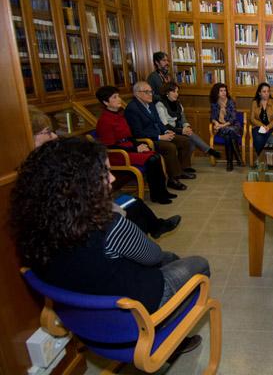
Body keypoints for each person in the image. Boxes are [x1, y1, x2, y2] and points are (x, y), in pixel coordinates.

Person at [10, 138, 209, 321]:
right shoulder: (109, 225)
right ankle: (169, 328)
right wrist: (115, 212)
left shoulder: (33, 226)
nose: (112, 179)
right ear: (80, 185)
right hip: (132, 312)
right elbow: (154, 256)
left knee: (171, 257)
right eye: (105, 173)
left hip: (83, 315)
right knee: (199, 264)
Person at [27, 105, 181, 238]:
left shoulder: (47, 161)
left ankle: (152, 230)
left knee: (135, 202)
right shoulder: (40, 172)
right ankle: (142, 245)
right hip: (84, 217)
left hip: (88, 208)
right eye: (47, 132)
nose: (53, 135)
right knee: (131, 210)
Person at [95, 86, 176, 204]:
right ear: (105, 102)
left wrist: (138, 145)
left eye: (118, 96)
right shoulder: (104, 121)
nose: (119, 99)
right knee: (152, 159)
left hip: (128, 148)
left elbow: (129, 136)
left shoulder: (119, 115)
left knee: (156, 156)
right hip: (117, 155)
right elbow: (110, 146)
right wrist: (135, 148)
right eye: (114, 97)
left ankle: (162, 191)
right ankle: (157, 195)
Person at [125, 81, 194, 191]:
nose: (151, 94)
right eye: (147, 92)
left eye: (151, 91)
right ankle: (172, 178)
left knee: (185, 141)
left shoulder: (150, 104)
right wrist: (159, 137)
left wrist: (166, 131)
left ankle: (181, 170)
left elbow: (159, 122)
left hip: (160, 133)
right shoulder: (132, 109)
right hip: (148, 140)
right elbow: (137, 133)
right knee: (170, 147)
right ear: (137, 94)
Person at [155, 81, 220, 160]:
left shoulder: (178, 104)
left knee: (191, 141)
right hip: (167, 131)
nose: (176, 94)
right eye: (173, 91)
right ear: (167, 92)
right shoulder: (160, 105)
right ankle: (209, 150)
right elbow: (165, 125)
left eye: (177, 91)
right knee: (189, 139)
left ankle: (184, 166)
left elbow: (183, 119)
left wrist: (187, 127)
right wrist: (182, 131)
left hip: (178, 129)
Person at [210, 83, 242, 172]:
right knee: (229, 135)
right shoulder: (214, 103)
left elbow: (233, 119)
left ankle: (230, 163)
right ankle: (236, 157)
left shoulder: (231, 102)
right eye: (221, 91)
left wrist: (221, 126)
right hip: (223, 128)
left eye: (225, 90)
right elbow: (212, 117)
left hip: (232, 125)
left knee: (230, 131)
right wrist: (216, 123)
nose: (224, 92)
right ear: (217, 92)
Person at [250, 82, 273, 156]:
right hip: (258, 127)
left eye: (268, 91)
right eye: (264, 91)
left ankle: (270, 161)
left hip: (272, 127)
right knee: (259, 139)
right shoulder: (254, 103)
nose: (267, 93)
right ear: (259, 93)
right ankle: (261, 160)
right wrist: (262, 126)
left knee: (270, 138)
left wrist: (268, 127)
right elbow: (252, 119)